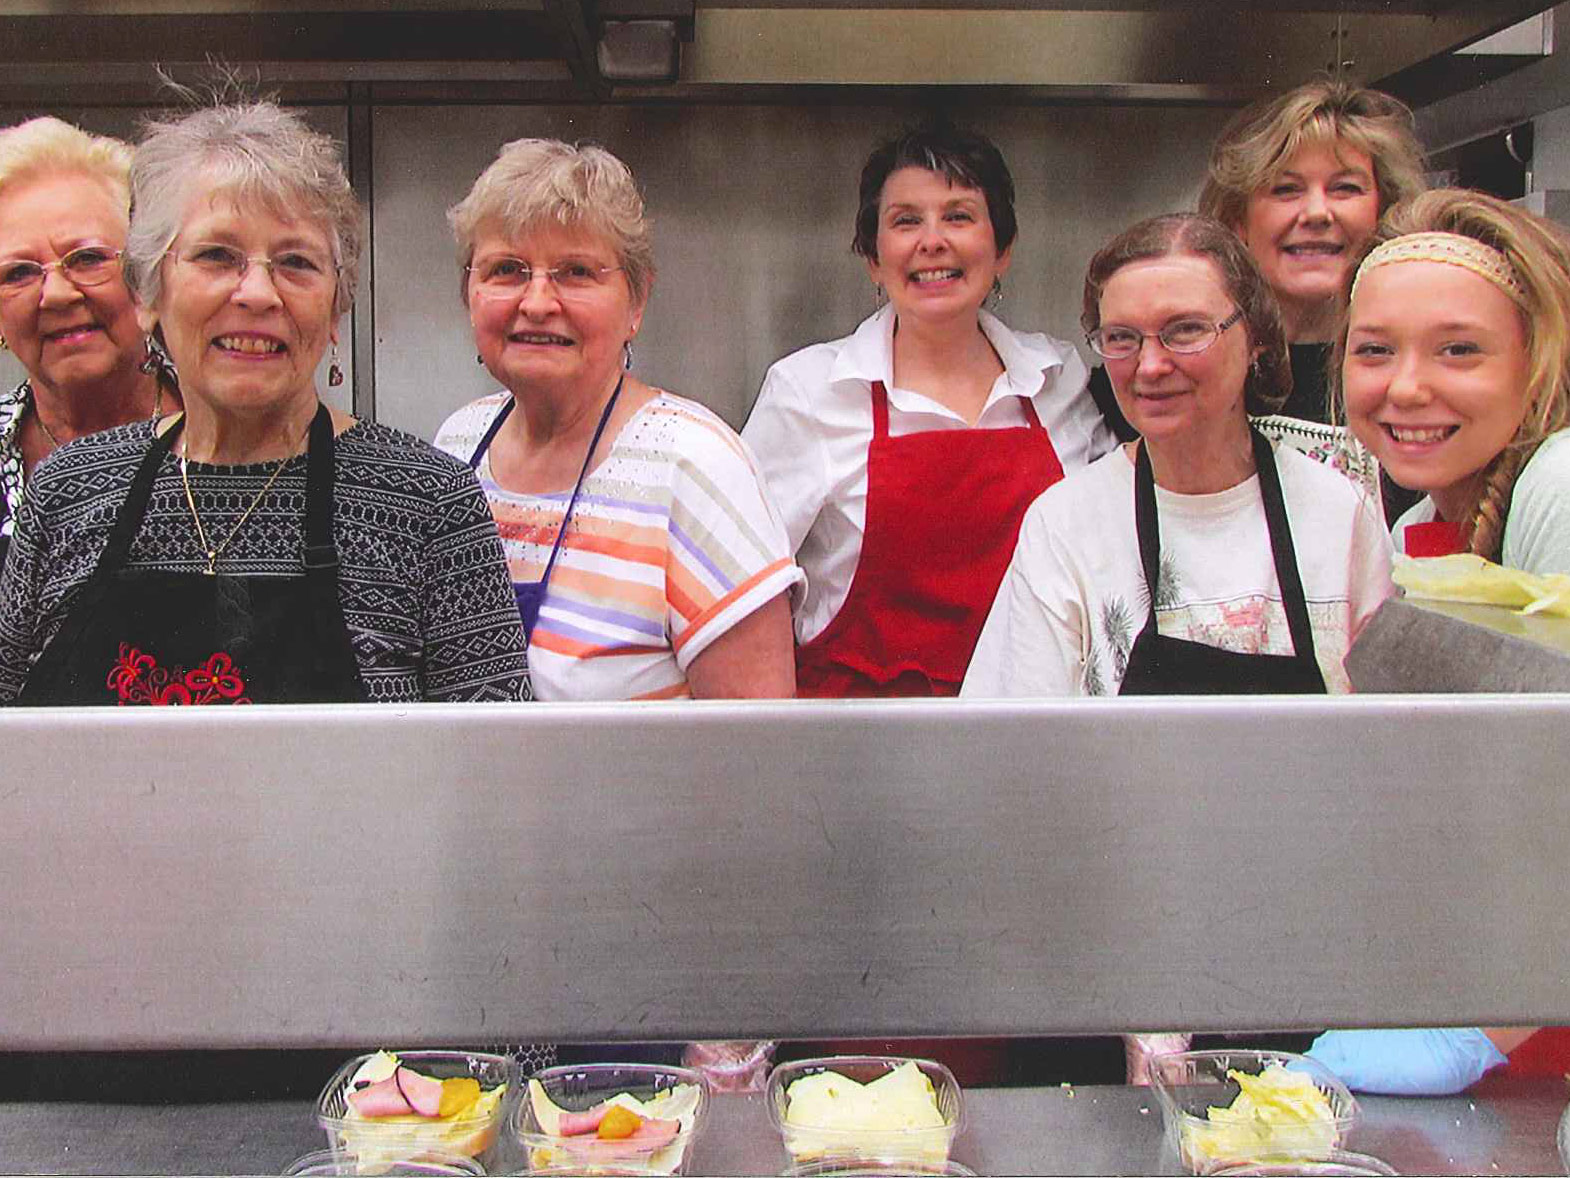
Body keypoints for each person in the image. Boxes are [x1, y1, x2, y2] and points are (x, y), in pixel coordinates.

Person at [0, 99, 529, 705]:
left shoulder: (428, 503)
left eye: (296, 263)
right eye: (216, 255)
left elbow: (494, 780)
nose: (257, 293)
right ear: (148, 293)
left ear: (335, 311)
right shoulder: (70, 492)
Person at [1307, 187, 1570, 1094]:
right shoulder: (1413, 528)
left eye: (1459, 350)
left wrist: (1480, 1029)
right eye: (1374, 351)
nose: (1406, 387)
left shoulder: (1560, 490)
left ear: (1536, 362)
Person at [744, 121, 1114, 698]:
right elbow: (741, 588)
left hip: (1032, 741)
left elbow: (1109, 556)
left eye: (959, 216)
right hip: (852, 754)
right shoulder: (808, 392)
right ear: (873, 257)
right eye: (906, 220)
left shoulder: (1058, 380)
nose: (932, 240)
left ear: (1003, 250)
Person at [962, 212, 1391, 700]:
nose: (1150, 365)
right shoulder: (1066, 525)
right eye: (1122, 338)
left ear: (1255, 339)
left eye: (1185, 330)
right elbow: (1020, 747)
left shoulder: (1339, 512)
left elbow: (1393, 738)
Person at [433, 138, 799, 701]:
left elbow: (756, 754)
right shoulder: (457, 447)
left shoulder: (695, 468)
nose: (536, 302)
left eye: (575, 272)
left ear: (637, 303)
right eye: (507, 269)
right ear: (469, 292)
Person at [1197, 78, 1430, 516]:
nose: (1318, 213)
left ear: (1385, 212)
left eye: (1345, 188)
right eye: (1286, 189)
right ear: (1238, 221)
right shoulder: (1187, 373)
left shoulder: (1430, 377)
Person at [0, 116, 183, 564]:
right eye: (19, 273)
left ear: (147, 274)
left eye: (88, 259)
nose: (57, 295)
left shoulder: (235, 435)